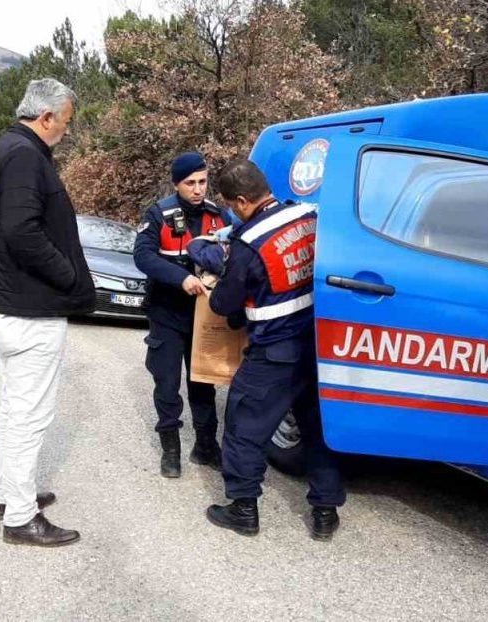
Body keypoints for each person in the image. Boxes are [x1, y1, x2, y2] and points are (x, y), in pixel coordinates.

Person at [191, 159, 345, 540]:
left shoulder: (248, 243)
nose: (232, 212)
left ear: (242, 202)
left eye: (232, 206)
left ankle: (243, 509)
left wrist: (213, 276)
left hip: (274, 353)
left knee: (243, 426)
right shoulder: (307, 217)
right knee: (316, 428)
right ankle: (326, 511)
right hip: (317, 346)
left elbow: (224, 304)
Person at [0, 78, 96, 548]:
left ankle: (8, 496)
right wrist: (69, 276)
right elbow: (23, 232)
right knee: (29, 417)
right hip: (30, 311)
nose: (66, 130)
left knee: (14, 411)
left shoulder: (10, 149)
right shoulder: (24, 155)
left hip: (14, 309)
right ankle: (21, 518)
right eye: (65, 122)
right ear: (46, 117)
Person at [133, 152, 231, 478]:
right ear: (177, 184)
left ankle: (205, 446)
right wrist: (181, 278)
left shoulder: (220, 216)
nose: (198, 189)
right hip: (167, 311)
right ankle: (171, 450)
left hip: (204, 315)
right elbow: (143, 257)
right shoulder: (158, 213)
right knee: (167, 383)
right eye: (190, 183)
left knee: (203, 383)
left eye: (203, 181)